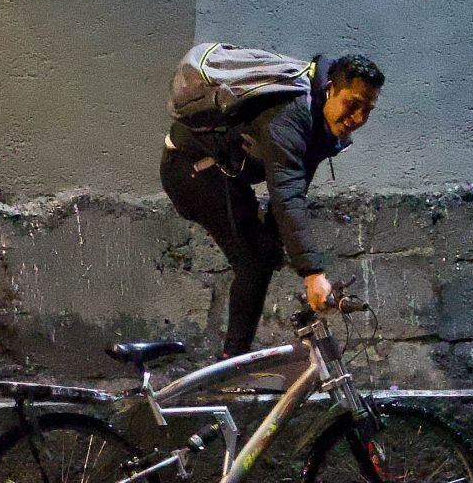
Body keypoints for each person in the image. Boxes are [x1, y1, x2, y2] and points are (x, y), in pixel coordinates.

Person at [161, 51, 383, 358]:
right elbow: (286, 192)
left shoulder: (322, 124)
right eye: (352, 104)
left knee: (264, 254)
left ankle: (235, 362)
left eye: (367, 110)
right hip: (191, 171)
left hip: (223, 174)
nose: (357, 119)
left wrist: (284, 247)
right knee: (254, 260)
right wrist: (312, 273)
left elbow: (295, 189)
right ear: (329, 88)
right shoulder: (291, 113)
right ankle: (233, 367)